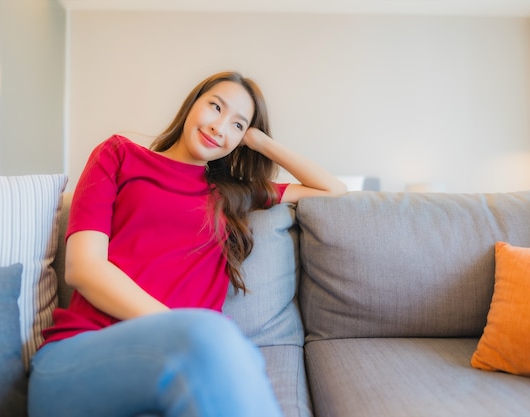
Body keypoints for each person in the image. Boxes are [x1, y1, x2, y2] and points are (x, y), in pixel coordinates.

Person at [27, 71, 347, 417]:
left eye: (237, 125)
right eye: (215, 107)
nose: (219, 127)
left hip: (187, 362)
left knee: (228, 351)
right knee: (220, 340)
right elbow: (84, 269)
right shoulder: (119, 155)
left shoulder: (230, 193)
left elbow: (332, 190)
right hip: (79, 356)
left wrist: (260, 140)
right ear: (192, 103)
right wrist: (184, 331)